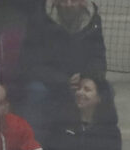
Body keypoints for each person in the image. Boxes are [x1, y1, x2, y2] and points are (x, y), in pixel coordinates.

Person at [18, 0, 110, 129]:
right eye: (63, 0)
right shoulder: (39, 19)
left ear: (83, 2)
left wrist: (86, 77)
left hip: (80, 81)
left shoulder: (93, 22)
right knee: (36, 91)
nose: (68, 5)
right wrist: (63, 80)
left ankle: (96, 141)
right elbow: (29, 63)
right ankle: (35, 144)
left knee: (105, 91)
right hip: (48, 81)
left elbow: (98, 57)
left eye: (73, 1)